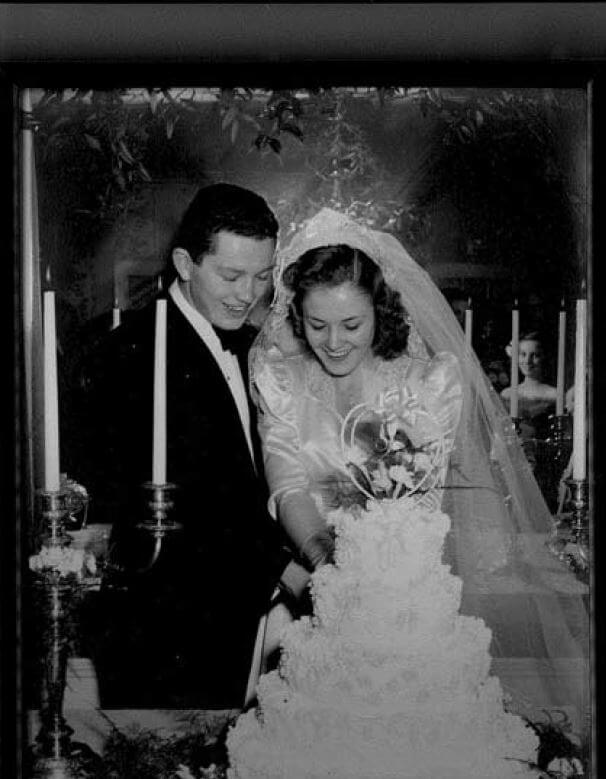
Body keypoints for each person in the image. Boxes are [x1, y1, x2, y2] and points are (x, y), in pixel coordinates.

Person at [249, 208, 589, 739]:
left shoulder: (427, 384)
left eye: (351, 324)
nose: (333, 341)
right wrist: (324, 562)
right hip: (306, 585)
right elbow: (287, 485)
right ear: (297, 319)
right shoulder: (281, 380)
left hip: (399, 593)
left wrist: (374, 574)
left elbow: (422, 501)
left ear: (380, 315)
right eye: (317, 325)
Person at [76, 183, 309, 710]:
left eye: (262, 275)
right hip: (164, 628)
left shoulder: (255, 349)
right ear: (184, 263)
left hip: (248, 620)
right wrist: (291, 572)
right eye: (230, 275)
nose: (247, 293)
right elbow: (178, 505)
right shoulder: (123, 356)